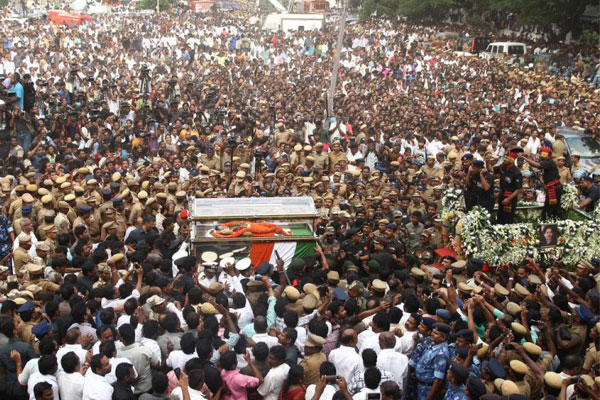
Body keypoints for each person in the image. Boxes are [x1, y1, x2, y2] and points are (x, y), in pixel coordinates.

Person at [523, 146, 563, 219]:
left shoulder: (550, 162)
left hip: (554, 188)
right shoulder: (546, 162)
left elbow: (537, 165)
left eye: (541, 153)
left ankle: (549, 220)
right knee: (553, 206)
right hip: (551, 187)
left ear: (545, 154)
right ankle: (554, 218)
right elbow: (536, 165)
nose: (540, 154)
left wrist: (525, 158)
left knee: (551, 206)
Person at [495, 149, 524, 224]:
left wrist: (508, 199)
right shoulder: (503, 167)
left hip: (510, 198)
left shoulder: (516, 172)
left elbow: (519, 189)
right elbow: (492, 170)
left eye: (506, 158)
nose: (504, 159)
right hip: (502, 196)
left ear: (511, 159)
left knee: (508, 219)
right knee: (500, 218)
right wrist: (487, 162)